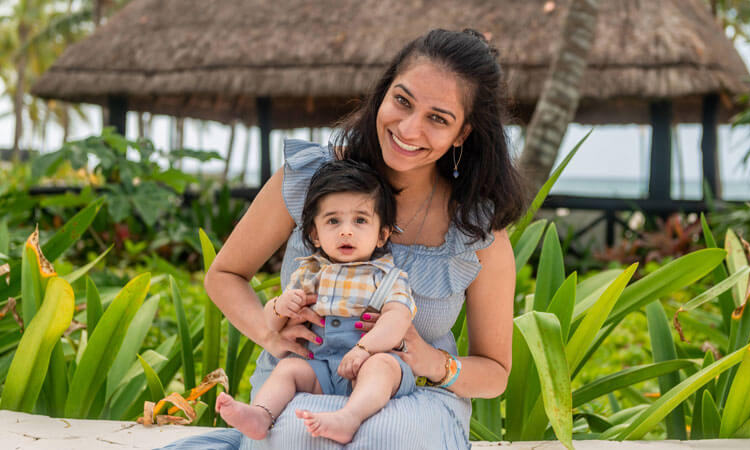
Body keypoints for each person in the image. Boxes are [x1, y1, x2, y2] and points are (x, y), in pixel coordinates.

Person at [160, 28, 524, 449]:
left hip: (414, 396)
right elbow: (224, 274)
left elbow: (495, 373)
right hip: (302, 378)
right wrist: (268, 331)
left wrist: (435, 363)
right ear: (383, 93)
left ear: (463, 133)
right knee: (300, 432)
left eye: (437, 118)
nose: (408, 128)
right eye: (402, 101)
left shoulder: (476, 232)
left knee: (389, 436)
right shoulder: (310, 178)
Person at [215, 159, 419, 444]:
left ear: (382, 234)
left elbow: (397, 319)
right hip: (321, 365)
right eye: (333, 221)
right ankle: (261, 414)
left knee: (383, 367)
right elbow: (271, 324)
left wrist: (364, 348)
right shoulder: (309, 272)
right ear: (315, 235)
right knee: (288, 370)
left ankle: (350, 417)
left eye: (360, 220)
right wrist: (280, 306)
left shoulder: (387, 277)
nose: (346, 231)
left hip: (369, 360)